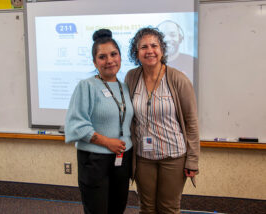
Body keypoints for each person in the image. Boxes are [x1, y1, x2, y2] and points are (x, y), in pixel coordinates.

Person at [125, 27, 200, 214]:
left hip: (173, 156)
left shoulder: (178, 79)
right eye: (143, 47)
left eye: (154, 45)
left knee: (168, 209)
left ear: (162, 50)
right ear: (136, 52)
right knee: (147, 208)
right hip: (143, 157)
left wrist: (192, 160)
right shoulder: (131, 77)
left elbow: (191, 122)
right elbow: (127, 116)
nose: (149, 50)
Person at [65, 29, 133, 214]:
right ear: (95, 62)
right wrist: (107, 142)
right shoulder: (86, 86)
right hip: (95, 161)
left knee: (117, 209)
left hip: (122, 159)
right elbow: (76, 125)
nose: (109, 60)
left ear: (120, 56)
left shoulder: (125, 87)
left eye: (113, 54)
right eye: (102, 57)